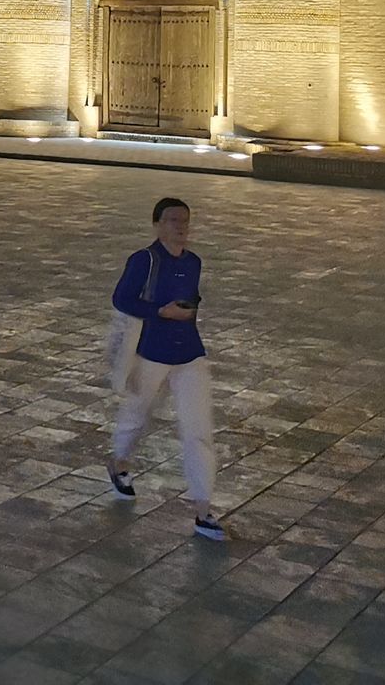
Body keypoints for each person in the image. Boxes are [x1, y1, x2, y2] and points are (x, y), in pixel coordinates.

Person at [108, 197, 225, 541]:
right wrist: (160, 311)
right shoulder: (144, 260)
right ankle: (119, 463)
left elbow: (191, 300)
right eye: (173, 220)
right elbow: (122, 299)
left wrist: (186, 310)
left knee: (198, 430)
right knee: (137, 415)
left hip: (189, 353)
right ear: (157, 225)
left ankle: (203, 510)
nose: (181, 227)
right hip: (150, 352)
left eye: (185, 220)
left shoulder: (193, 262)